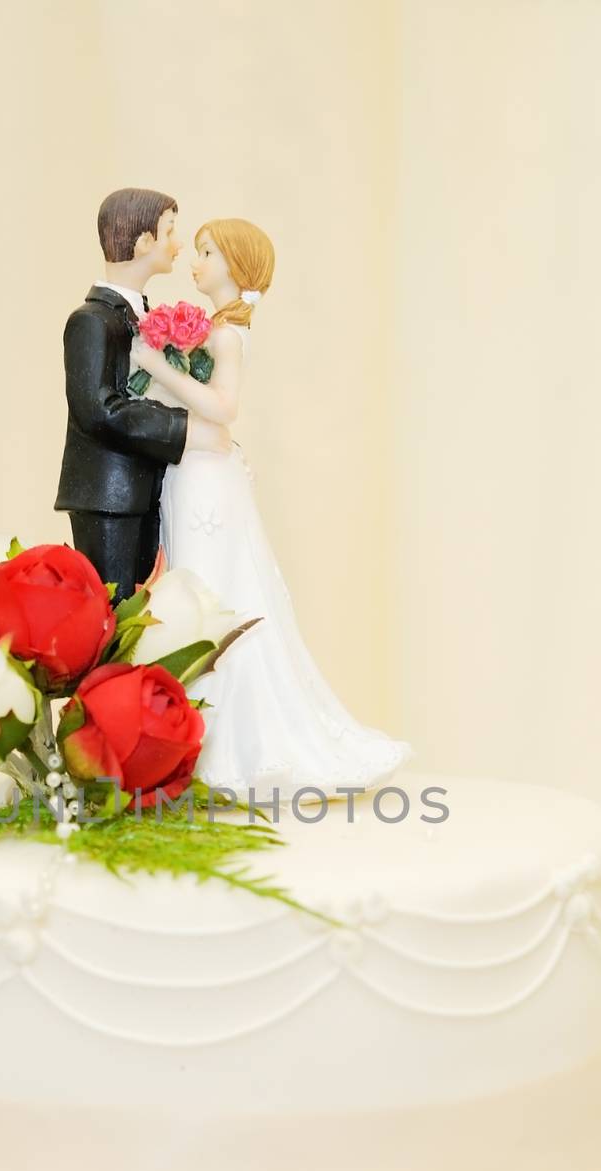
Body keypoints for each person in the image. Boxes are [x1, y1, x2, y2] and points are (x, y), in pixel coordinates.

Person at [129, 217, 411, 801]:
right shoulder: (215, 327)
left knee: (214, 592)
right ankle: (196, 740)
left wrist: (157, 367)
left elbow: (223, 407)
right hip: (196, 472)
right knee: (195, 591)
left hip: (208, 478)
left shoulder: (228, 335)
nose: (195, 262)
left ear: (234, 263)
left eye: (205, 252)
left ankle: (228, 747)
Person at [55, 187, 230, 599]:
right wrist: (184, 430)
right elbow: (100, 410)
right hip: (109, 498)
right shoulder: (92, 322)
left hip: (145, 487)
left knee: (146, 610)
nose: (178, 243)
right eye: (170, 230)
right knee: (116, 616)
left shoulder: (143, 317)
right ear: (143, 241)